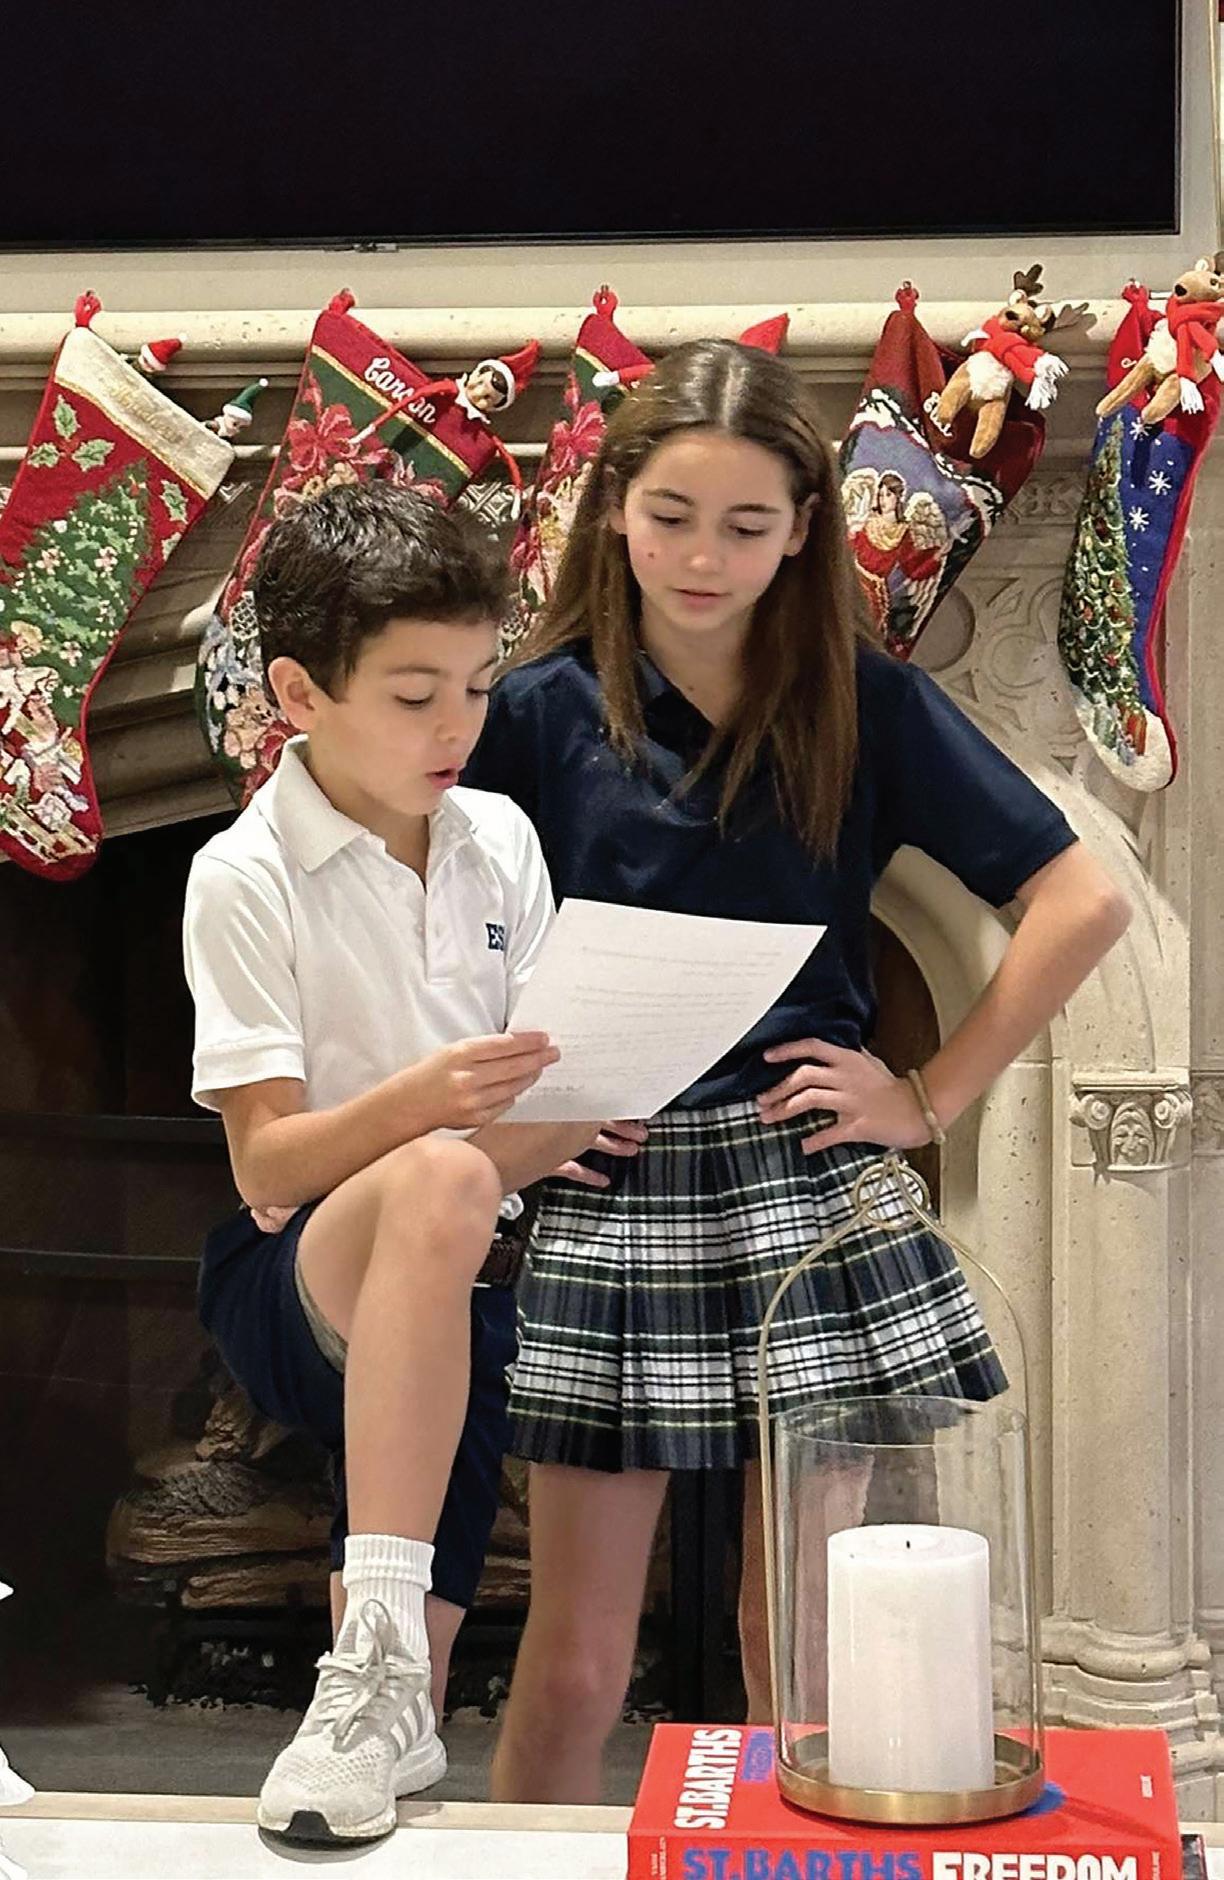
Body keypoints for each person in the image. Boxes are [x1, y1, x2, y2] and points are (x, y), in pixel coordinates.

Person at [461, 337, 1132, 1804]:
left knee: (806, 1649)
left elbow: (1085, 900)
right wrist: (521, 1120)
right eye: (671, 517)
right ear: (614, 510)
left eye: (746, 524)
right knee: (573, 1665)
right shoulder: (534, 712)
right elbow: (439, 942)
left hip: (807, 1180)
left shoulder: (864, 700)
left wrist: (927, 1095)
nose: (703, 558)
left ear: (804, 529)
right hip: (611, 1187)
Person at [183, 483, 625, 1844]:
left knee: (396, 1740)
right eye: (417, 695)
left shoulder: (502, 844)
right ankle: (370, 1661)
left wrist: (572, 1108)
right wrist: (430, 1107)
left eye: (480, 690)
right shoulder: (245, 874)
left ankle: (375, 1689)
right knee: (441, 1177)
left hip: (465, 1282)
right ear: (300, 694)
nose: (458, 728)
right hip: (291, 1274)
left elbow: (559, 1115)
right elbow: (268, 1161)